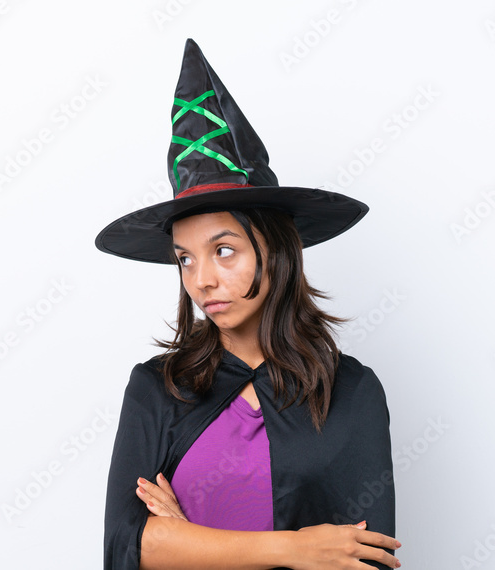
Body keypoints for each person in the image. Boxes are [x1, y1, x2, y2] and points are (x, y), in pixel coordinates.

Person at [95, 39, 400, 569]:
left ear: (275, 251)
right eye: (185, 258)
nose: (202, 280)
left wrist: (188, 541)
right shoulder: (157, 388)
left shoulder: (351, 392)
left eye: (224, 250)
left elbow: (365, 559)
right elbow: (128, 547)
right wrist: (295, 548)